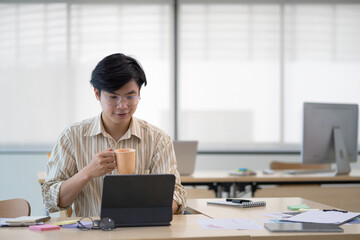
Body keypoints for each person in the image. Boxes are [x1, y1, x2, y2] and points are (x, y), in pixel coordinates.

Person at [42, 53, 187, 217]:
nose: (122, 106)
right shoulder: (72, 137)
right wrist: (87, 172)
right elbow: (51, 199)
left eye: (130, 96)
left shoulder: (158, 140)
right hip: (92, 234)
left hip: (143, 233)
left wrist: (157, 211)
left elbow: (176, 193)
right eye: (113, 97)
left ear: (139, 93)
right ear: (97, 94)